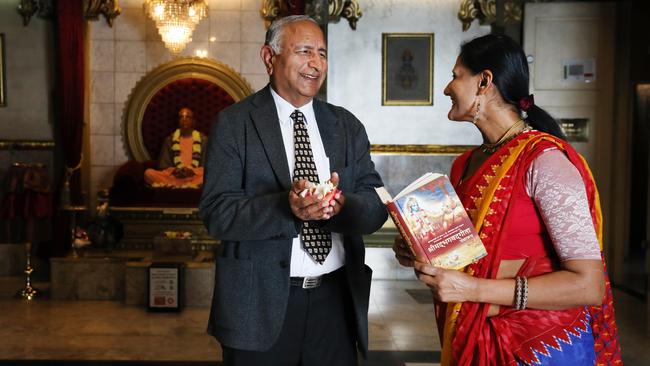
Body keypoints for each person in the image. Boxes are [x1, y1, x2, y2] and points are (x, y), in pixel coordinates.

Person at [393, 34, 622, 365]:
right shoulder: (464, 164)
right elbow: (462, 254)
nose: (446, 88)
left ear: (485, 81)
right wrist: (420, 248)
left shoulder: (544, 161)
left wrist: (471, 290)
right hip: (476, 342)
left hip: (540, 348)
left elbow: (588, 286)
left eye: (456, 76)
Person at [199, 15, 387, 366]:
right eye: (304, 51)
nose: (316, 63)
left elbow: (376, 205)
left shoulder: (345, 125)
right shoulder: (234, 124)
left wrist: (343, 205)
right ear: (269, 58)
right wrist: (287, 208)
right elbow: (216, 213)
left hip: (335, 303)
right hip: (258, 306)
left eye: (322, 53)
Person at [144, 107, 207, 188]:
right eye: (181, 117)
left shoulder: (203, 140)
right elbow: (163, 165)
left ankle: (176, 186)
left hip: (194, 177)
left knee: (211, 175)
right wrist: (174, 171)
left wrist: (193, 171)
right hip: (173, 177)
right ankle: (185, 186)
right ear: (177, 121)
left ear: (193, 121)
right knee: (148, 173)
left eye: (188, 117)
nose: (184, 119)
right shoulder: (169, 140)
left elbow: (207, 165)